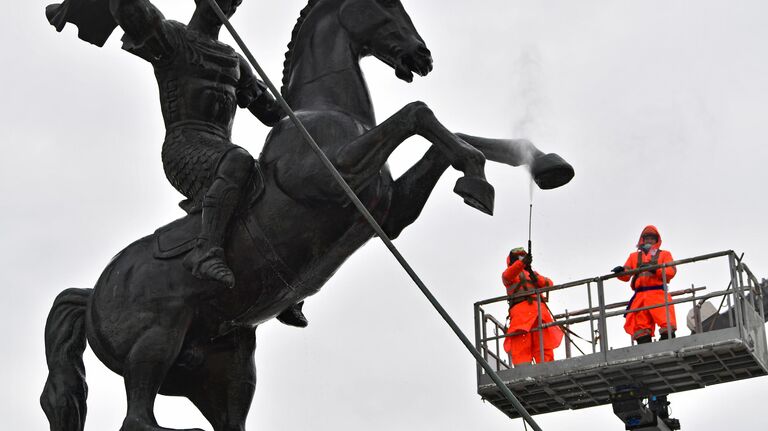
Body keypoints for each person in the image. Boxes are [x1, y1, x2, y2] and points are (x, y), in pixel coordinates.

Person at [612, 225, 677, 344]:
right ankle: (644, 348)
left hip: (658, 294)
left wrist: (655, 269)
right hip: (640, 297)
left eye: (652, 238)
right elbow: (626, 276)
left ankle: (668, 345)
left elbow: (671, 272)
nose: (649, 240)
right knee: (640, 328)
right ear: (642, 240)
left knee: (666, 323)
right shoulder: (634, 256)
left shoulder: (664, 255)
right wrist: (620, 272)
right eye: (647, 238)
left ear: (657, 240)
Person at [502, 247, 563, 366]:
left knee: (543, 346)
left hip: (539, 316)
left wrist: (536, 277)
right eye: (519, 257)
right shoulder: (509, 274)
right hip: (521, 318)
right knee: (521, 347)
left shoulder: (532, 273)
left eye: (523, 256)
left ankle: (548, 369)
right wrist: (522, 264)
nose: (521, 259)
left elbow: (549, 284)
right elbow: (508, 275)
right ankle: (524, 372)